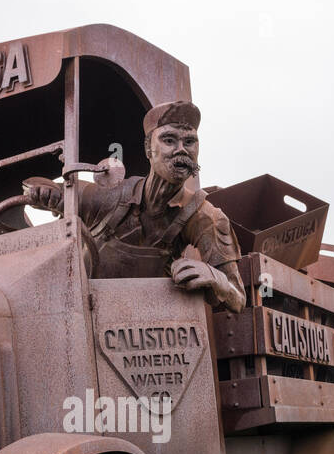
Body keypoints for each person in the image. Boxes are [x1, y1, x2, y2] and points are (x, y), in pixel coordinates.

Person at [24, 100, 245, 312]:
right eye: (169, 141)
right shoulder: (111, 195)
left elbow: (238, 299)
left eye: (189, 142)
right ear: (149, 150)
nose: (182, 150)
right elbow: (36, 187)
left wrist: (217, 280)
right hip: (83, 315)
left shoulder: (203, 216)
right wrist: (45, 193)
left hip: (144, 330)